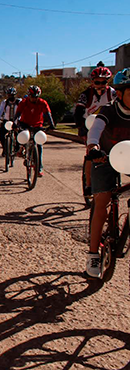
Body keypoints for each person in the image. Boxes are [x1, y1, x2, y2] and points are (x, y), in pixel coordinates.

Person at [84, 67, 130, 278]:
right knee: (102, 201)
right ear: (119, 93)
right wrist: (93, 147)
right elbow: (95, 129)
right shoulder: (109, 110)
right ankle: (93, 253)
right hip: (105, 158)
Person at [74, 66, 116, 198]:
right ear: (92, 82)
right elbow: (78, 112)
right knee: (90, 155)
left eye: (103, 82)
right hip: (89, 125)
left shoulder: (113, 93)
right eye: (97, 82)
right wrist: (80, 126)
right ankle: (88, 185)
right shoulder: (86, 95)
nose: (100, 85)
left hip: (108, 126)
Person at [14, 85, 55, 177]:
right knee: (23, 136)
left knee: (39, 146)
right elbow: (17, 114)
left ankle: (39, 167)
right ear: (29, 96)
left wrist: (51, 125)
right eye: (32, 97)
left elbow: (48, 114)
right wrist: (14, 123)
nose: (34, 99)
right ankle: (22, 148)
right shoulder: (23, 103)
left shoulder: (42, 103)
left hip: (37, 125)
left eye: (36, 97)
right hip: (25, 123)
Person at [0, 87, 22, 156]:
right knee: (1, 135)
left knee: (19, 135)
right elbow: (0, 111)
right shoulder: (4, 102)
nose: (11, 97)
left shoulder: (19, 102)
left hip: (16, 121)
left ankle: (17, 148)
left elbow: (23, 111)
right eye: (9, 95)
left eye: (12, 95)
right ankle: (5, 149)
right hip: (6, 121)